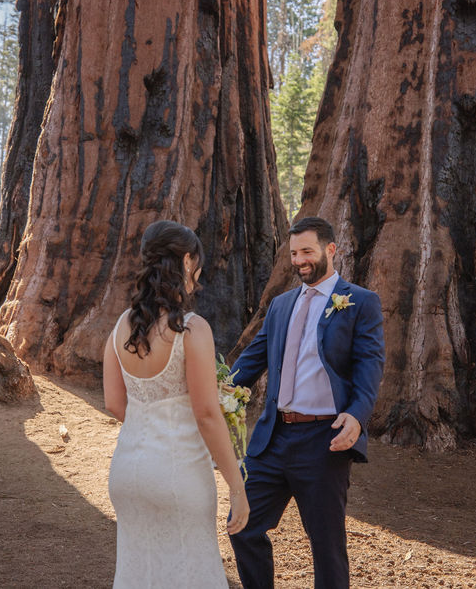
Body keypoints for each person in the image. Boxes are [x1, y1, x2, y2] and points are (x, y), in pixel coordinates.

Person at [228, 216, 385, 589]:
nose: (299, 260)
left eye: (307, 252)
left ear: (331, 250)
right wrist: (221, 390)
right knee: (242, 526)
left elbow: (370, 365)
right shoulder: (281, 305)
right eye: (294, 253)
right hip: (271, 438)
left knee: (327, 546)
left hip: (323, 440)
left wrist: (357, 416)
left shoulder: (360, 302)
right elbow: (254, 356)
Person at [103, 220, 250, 588]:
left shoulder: (122, 325)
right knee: (191, 571)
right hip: (178, 476)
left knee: (140, 573)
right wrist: (236, 486)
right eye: (196, 265)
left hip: (128, 475)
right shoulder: (191, 329)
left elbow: (114, 403)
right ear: (187, 261)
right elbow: (206, 414)